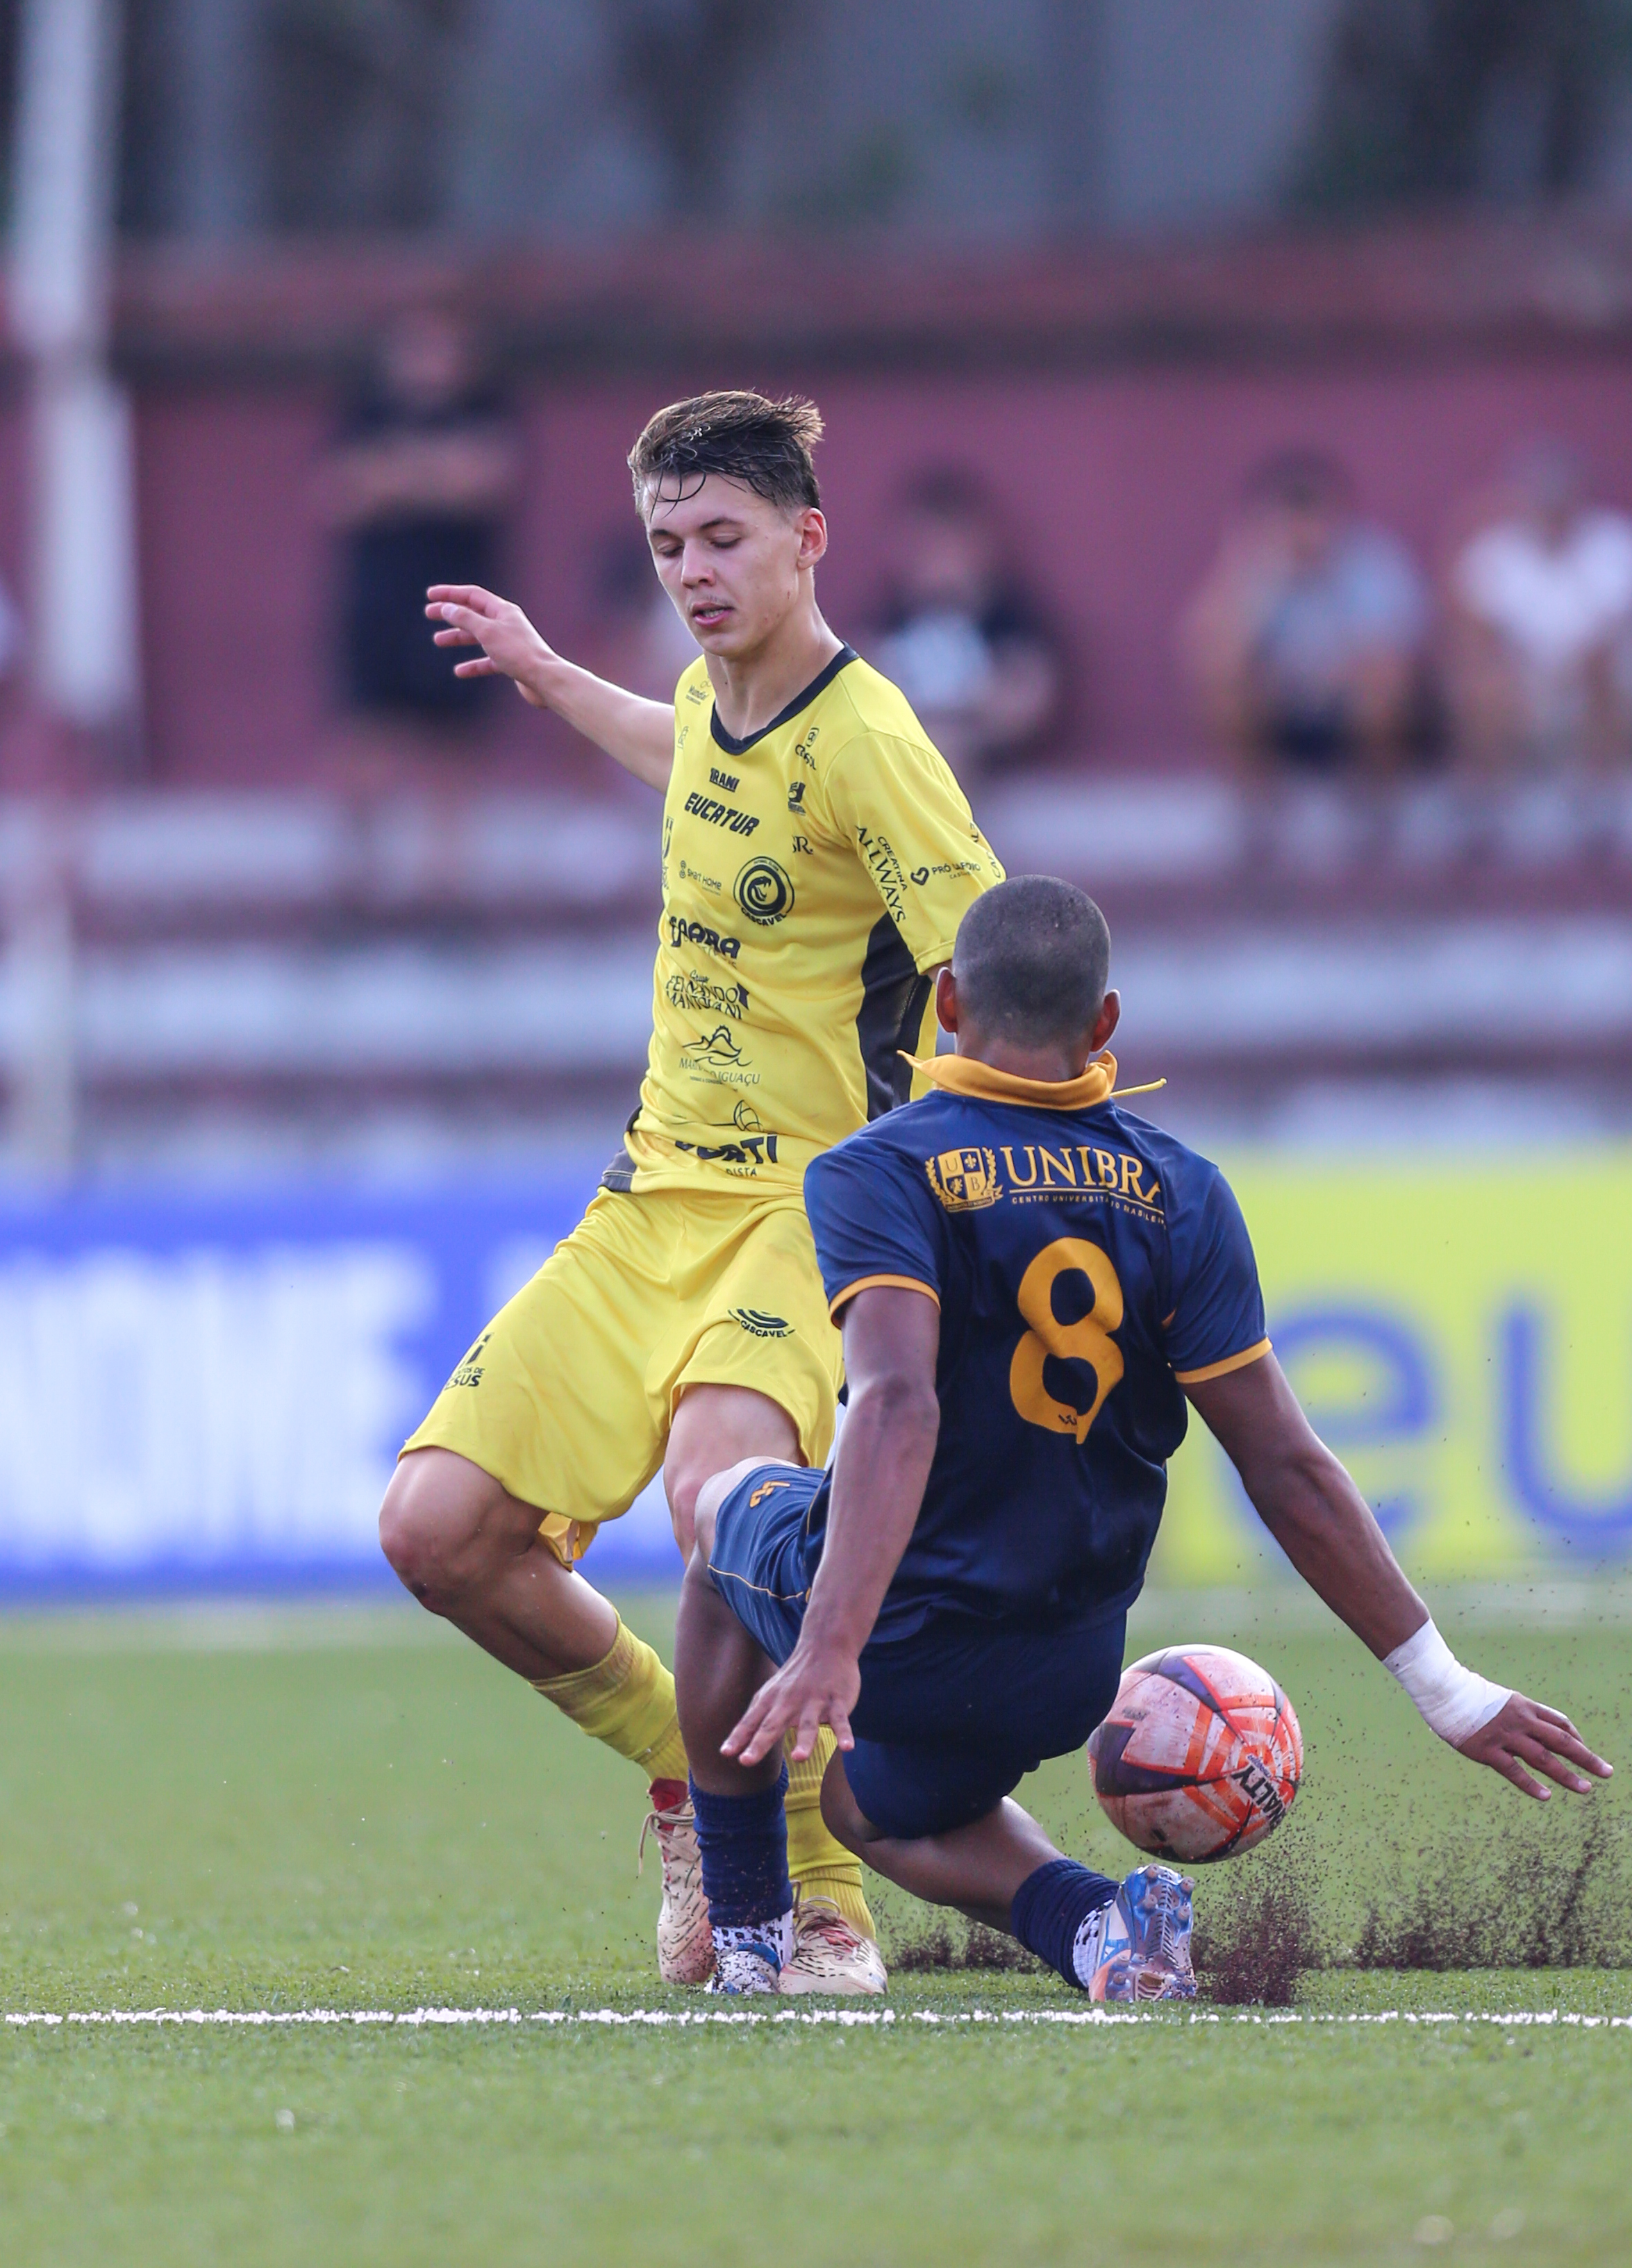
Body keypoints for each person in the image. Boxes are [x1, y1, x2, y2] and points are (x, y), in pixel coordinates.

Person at [674, 876, 1612, 1998]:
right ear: (1104, 1023)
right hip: (1071, 1667)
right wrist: (1442, 1685)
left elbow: (896, 1405)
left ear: (947, 1004)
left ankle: (741, 1937)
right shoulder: (1183, 1191)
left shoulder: (878, 1168)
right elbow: (1287, 1466)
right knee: (861, 1807)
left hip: (900, 1641)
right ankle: (1104, 1933)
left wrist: (829, 1647)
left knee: (725, 1516)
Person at [377, 391, 1004, 1994]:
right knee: (438, 1531)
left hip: (807, 1210)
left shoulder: (873, 737)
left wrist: (982, 1191)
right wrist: (542, 668)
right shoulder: (713, 703)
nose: (693, 571)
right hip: (648, 1198)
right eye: (668, 544)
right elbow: (695, 763)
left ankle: (809, 1898)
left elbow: (989, 971)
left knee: (718, 1499)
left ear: (808, 536)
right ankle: (693, 1777)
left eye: (722, 537)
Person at [318, 305, 520, 734]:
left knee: (453, 737)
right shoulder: (366, 412)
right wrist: (442, 471)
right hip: (379, 601)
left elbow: (489, 482)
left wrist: (394, 474)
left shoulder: (486, 407)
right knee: (367, 732)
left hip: (461, 596)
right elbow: (338, 495)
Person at [1177, 449, 1429, 773]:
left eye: (1314, 513)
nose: (1304, 528)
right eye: (1291, 515)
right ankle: (1256, 808)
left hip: (1351, 709)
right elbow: (1206, 652)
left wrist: (1322, 681)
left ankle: (1379, 804)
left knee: (1380, 689)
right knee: (1223, 686)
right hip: (1281, 711)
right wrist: (1258, 581)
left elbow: (1393, 659)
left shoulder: (1374, 565)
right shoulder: (1253, 569)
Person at [1445, 442, 1632, 770]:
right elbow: (1474, 632)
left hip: (1623, 692)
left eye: (1559, 497)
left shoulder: (1622, 546)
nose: (1550, 509)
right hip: (1526, 690)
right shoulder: (1495, 550)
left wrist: (1550, 680)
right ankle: (1488, 799)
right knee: (1483, 682)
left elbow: (1611, 638)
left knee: (1599, 668)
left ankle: (1602, 791)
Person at [870, 467, 1060, 781]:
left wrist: (957, 712)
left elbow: (1029, 701)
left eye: (942, 546)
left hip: (979, 764)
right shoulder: (890, 619)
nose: (934, 563)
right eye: (920, 547)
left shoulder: (1007, 620)